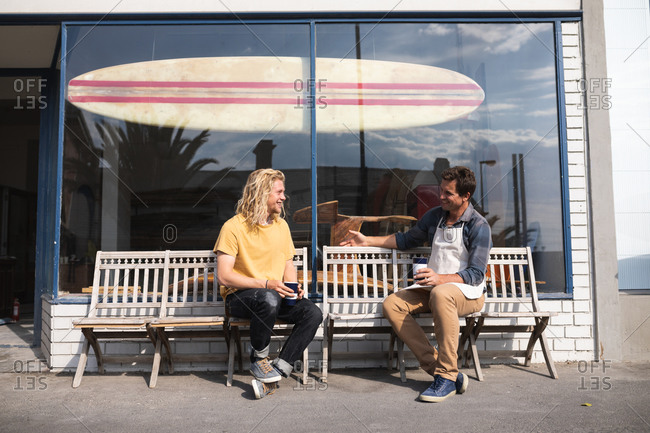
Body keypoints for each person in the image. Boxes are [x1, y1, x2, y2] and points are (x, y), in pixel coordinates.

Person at [341, 166, 491, 403]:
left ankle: (447, 375)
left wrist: (441, 279)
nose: (441, 196)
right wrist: (366, 240)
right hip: (435, 290)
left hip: (468, 293)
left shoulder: (479, 226)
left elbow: (475, 274)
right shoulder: (435, 216)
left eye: (448, 193)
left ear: (466, 196)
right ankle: (441, 371)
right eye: (441, 190)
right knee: (392, 304)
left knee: (442, 294)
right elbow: (405, 239)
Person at [214, 169, 322, 399]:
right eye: (279, 192)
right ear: (262, 193)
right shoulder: (233, 227)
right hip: (240, 298)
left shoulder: (281, 226)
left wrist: (294, 290)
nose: (284, 197)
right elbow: (224, 276)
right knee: (268, 297)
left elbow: (288, 265)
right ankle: (259, 358)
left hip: (273, 296)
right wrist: (266, 283)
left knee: (312, 313)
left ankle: (276, 372)